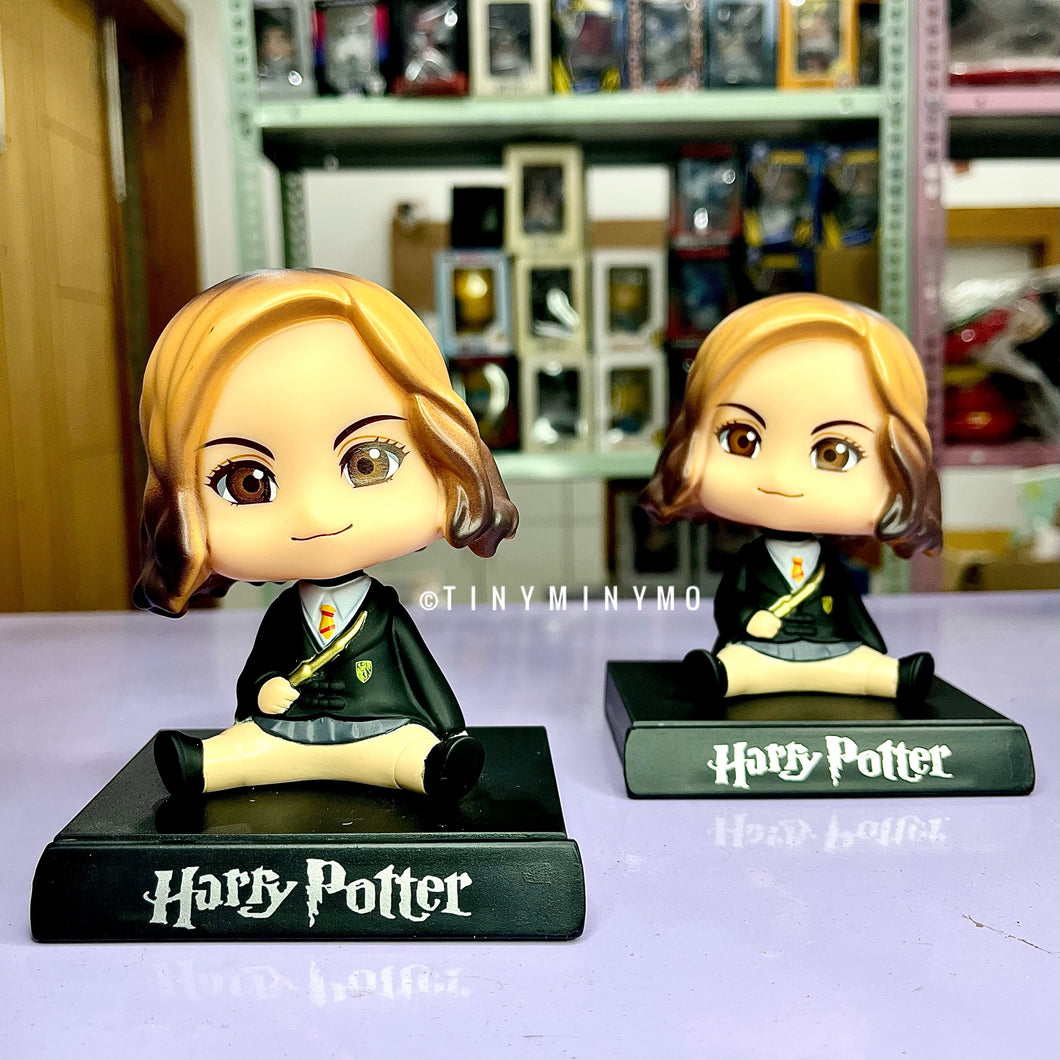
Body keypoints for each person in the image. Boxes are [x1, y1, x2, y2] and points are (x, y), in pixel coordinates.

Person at [135, 270, 518, 799]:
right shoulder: (283, 619)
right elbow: (256, 676)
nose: (315, 514)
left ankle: (435, 766)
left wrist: (450, 730)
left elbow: (424, 677)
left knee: (407, 750)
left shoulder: (383, 617)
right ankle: (204, 766)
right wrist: (264, 691)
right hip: (292, 731)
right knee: (250, 746)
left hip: (378, 725)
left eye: (367, 462)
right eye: (248, 483)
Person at [642, 292, 941, 703]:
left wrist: (870, 645)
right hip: (761, 647)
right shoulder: (751, 563)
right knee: (741, 664)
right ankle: (723, 677)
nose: (781, 478)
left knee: (861, 665)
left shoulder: (830, 568)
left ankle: (889, 677)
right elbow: (730, 604)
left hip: (830, 646)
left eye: (834, 453)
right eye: (742, 439)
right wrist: (749, 621)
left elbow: (852, 611)